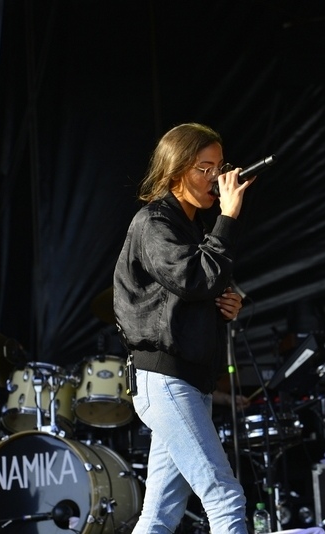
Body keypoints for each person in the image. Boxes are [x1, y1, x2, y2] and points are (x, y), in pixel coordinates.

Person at [113, 122, 255, 533]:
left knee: (159, 514)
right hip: (166, 380)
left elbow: (192, 294)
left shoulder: (191, 228)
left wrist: (224, 306)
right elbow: (194, 278)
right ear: (175, 171)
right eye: (204, 169)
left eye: (218, 167)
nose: (215, 178)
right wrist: (228, 216)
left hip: (188, 382)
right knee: (225, 497)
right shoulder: (153, 223)